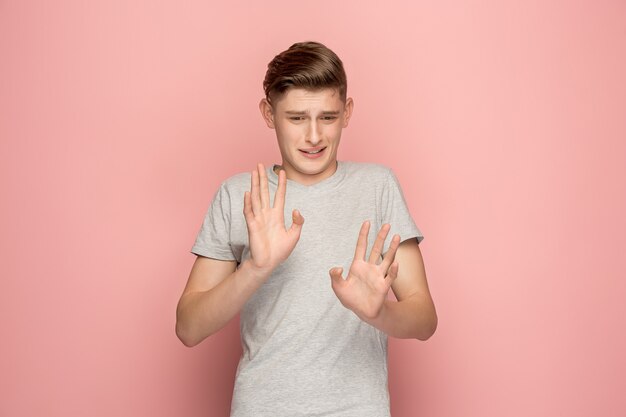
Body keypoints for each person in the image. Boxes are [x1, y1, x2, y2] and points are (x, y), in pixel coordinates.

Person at [176, 41, 437, 417]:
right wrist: (255, 269)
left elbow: (425, 318)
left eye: (327, 117)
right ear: (269, 113)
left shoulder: (378, 186)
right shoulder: (239, 195)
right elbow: (188, 328)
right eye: (297, 118)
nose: (314, 136)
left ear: (347, 112)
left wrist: (378, 314)